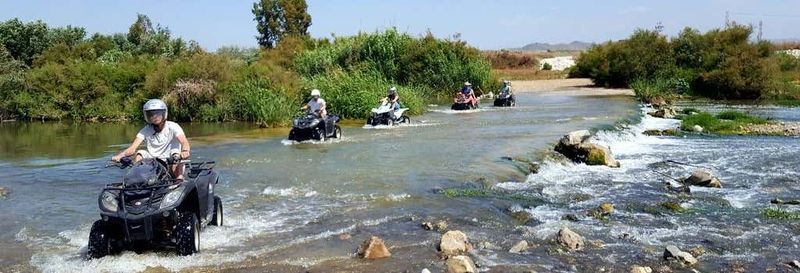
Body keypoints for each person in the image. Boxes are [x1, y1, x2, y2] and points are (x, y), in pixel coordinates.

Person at [112, 99, 191, 181]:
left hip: (171, 160)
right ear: (147, 116)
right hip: (153, 162)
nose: (155, 117)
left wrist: (185, 151)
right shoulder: (145, 130)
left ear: (164, 114)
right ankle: (139, 179)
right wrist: (120, 156)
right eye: (151, 114)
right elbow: (132, 148)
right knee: (140, 153)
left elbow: (184, 142)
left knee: (175, 152)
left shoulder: (173, 126)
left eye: (158, 114)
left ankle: (179, 178)